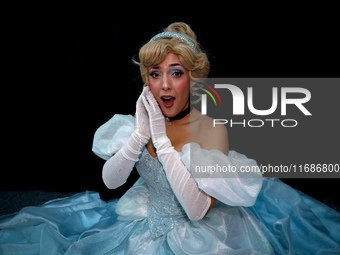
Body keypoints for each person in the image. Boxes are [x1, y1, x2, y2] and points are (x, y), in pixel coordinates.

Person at [1, 22, 339, 255]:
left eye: (176, 73)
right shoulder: (144, 120)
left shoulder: (210, 128)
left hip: (203, 235)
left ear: (192, 79)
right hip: (143, 218)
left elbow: (196, 212)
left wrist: (161, 143)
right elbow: (110, 182)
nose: (164, 85)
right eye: (155, 73)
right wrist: (140, 136)